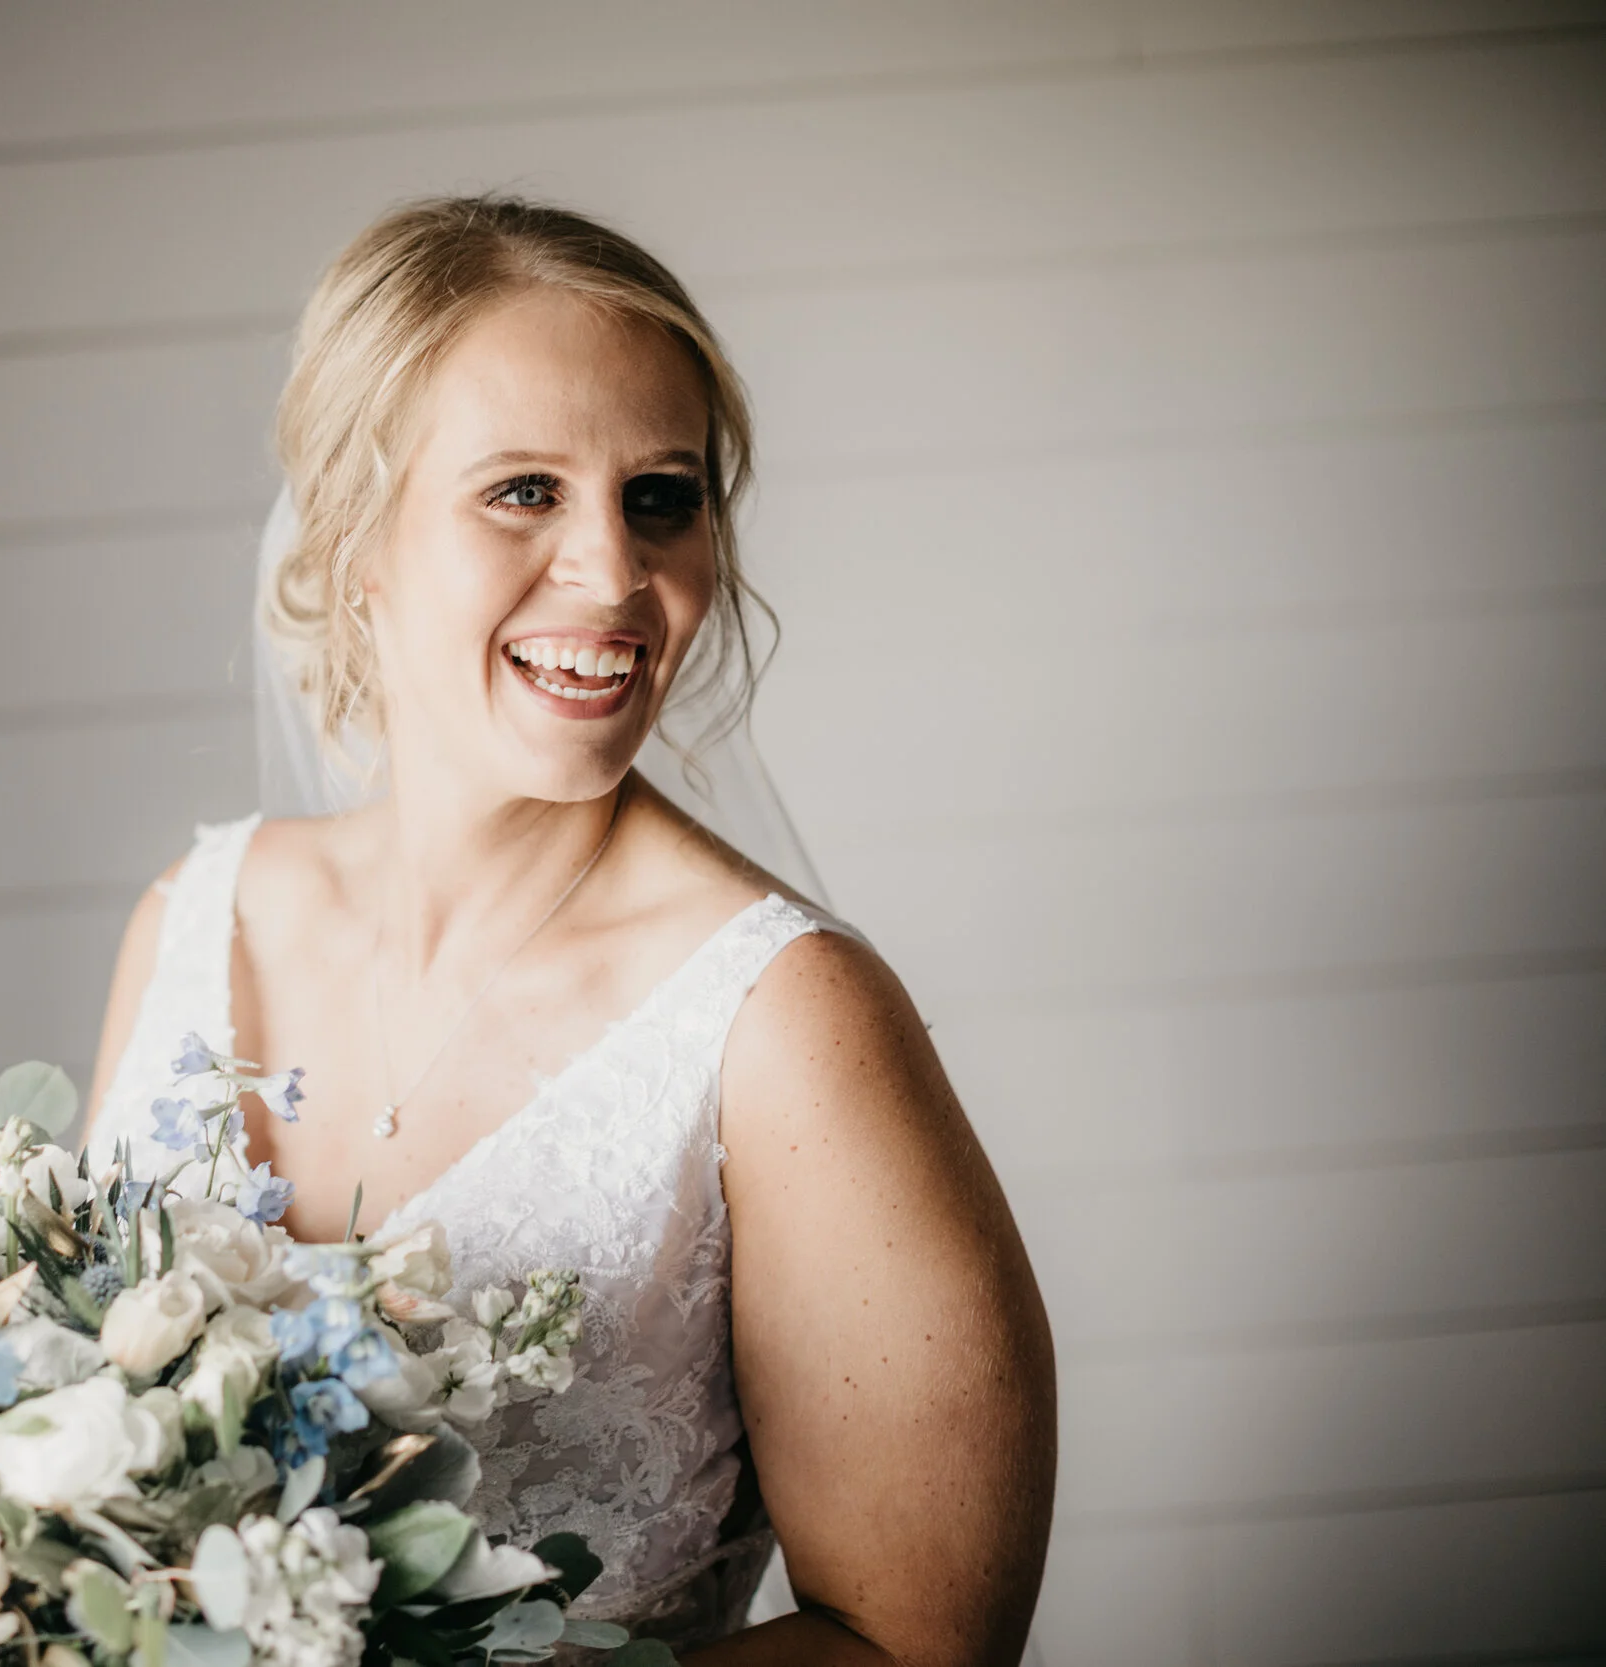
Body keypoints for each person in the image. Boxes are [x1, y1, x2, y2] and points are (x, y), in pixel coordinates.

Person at [82, 197, 1056, 1667]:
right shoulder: (192, 922)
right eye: (525, 490)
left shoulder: (784, 1021)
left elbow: (921, 1646)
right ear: (355, 537)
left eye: (660, 497)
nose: (612, 571)